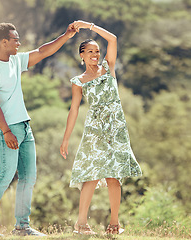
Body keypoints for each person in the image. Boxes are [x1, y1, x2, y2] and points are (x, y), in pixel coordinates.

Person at [0, 22, 77, 237]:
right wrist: (6, 131)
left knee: (29, 177)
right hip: (6, 130)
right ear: (3, 42)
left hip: (24, 127)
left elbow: (42, 51)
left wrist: (66, 35)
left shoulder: (16, 61)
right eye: (15, 39)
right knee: (5, 175)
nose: (19, 43)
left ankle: (22, 227)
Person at [60, 20, 142, 235]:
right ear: (82, 55)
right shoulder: (78, 81)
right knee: (92, 175)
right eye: (90, 52)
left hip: (116, 128)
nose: (95, 55)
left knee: (115, 176)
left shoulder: (108, 67)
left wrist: (89, 25)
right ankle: (81, 224)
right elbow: (74, 110)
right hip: (95, 130)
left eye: (97, 51)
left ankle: (114, 224)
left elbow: (112, 39)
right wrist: (66, 139)